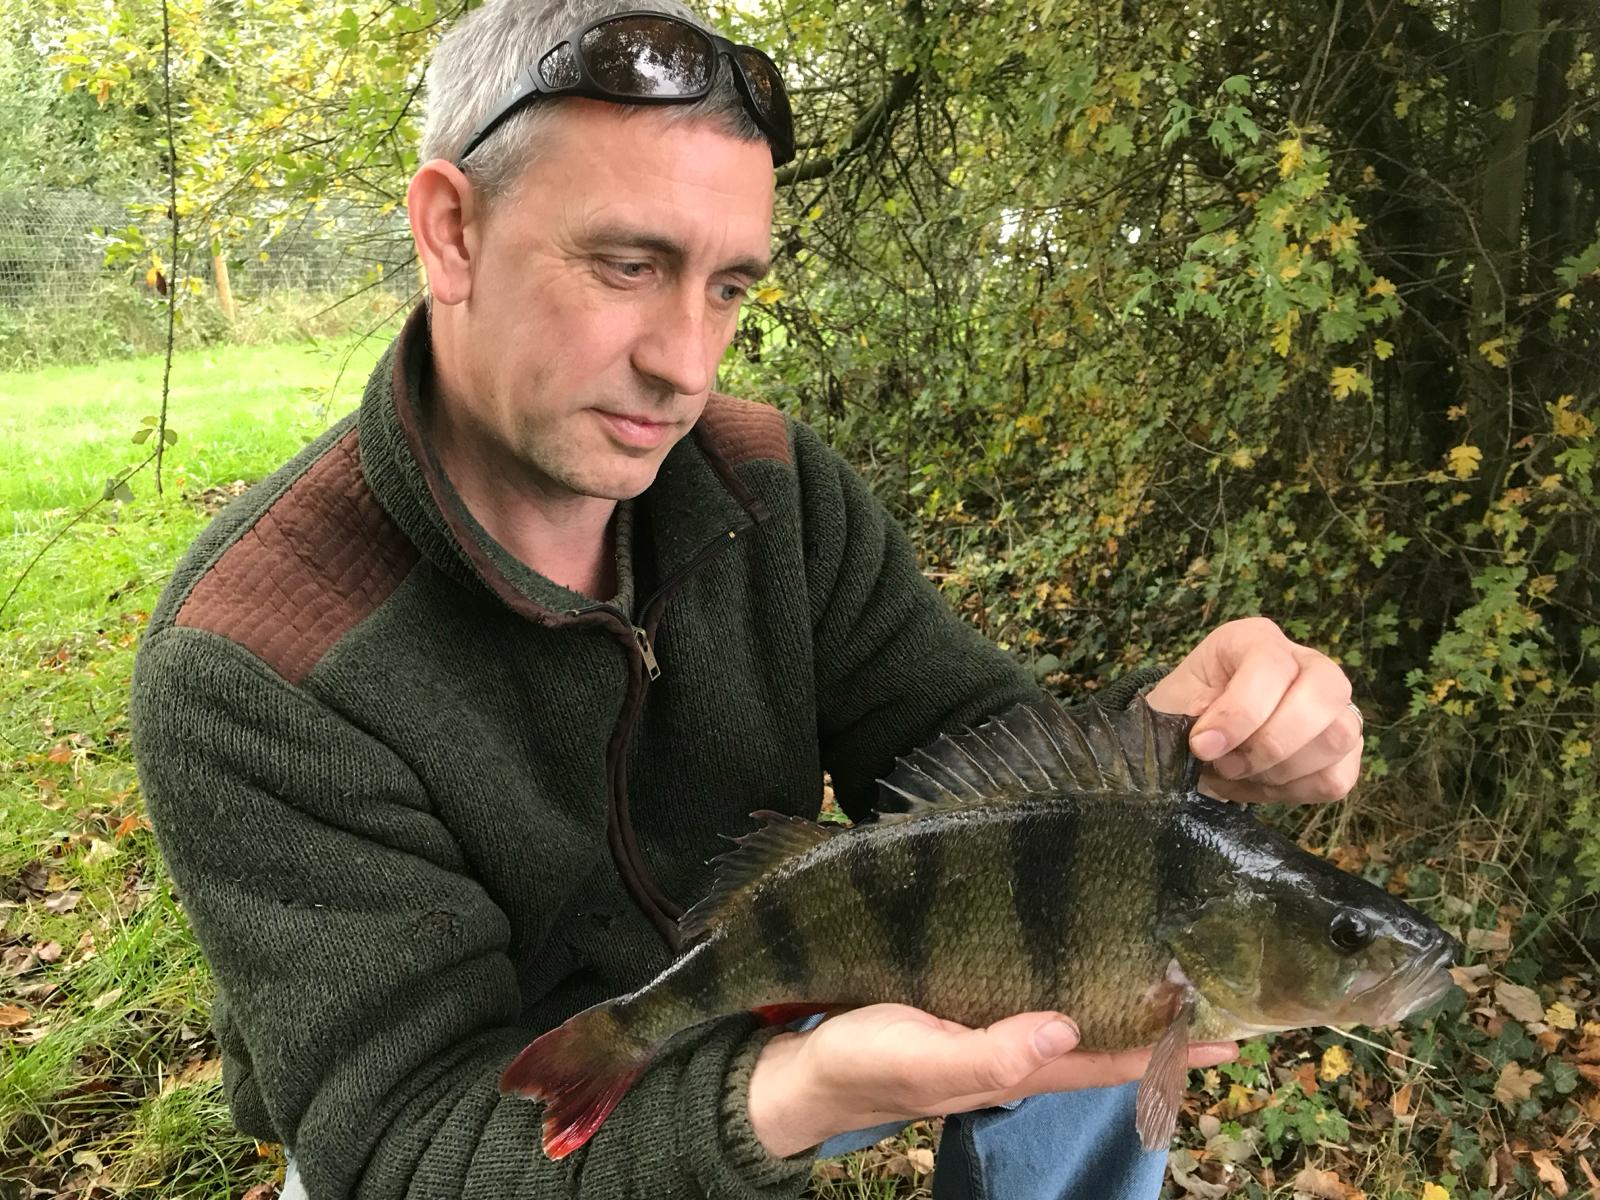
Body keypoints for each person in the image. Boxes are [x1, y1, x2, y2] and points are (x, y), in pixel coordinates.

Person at [129, 2, 1365, 1197]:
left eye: (728, 288)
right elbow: (401, 1150)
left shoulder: (766, 482)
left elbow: (979, 774)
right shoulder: (253, 664)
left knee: (1103, 956)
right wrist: (794, 1098)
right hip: (475, 1127)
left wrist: (1173, 742)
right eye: (627, 265)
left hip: (779, 1006)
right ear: (450, 231)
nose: (685, 361)